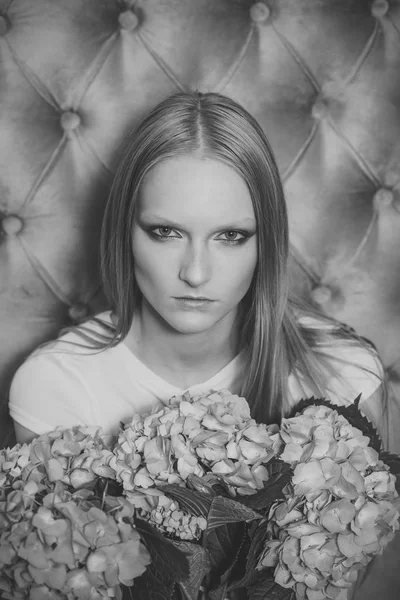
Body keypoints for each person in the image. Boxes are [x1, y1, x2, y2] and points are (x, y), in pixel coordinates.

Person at [9, 91, 387, 449]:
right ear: (125, 233)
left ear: (265, 244)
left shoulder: (344, 373)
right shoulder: (57, 385)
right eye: (166, 232)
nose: (195, 273)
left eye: (230, 236)